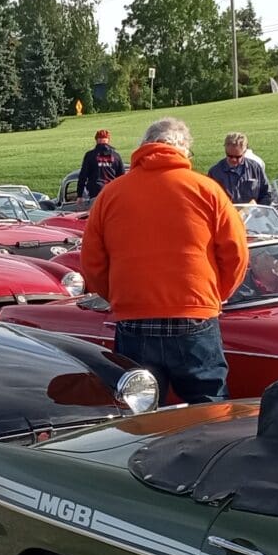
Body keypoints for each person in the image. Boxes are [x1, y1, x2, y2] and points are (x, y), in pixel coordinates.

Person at [81, 117, 248, 404]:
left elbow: (92, 261)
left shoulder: (111, 194)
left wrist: (118, 297)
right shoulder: (207, 190)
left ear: (143, 148)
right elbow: (236, 254)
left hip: (134, 317)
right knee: (208, 407)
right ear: (184, 150)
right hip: (194, 315)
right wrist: (213, 296)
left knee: (140, 408)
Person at [207, 132, 273, 205]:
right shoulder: (215, 173)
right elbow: (209, 200)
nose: (233, 160)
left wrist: (258, 207)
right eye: (229, 156)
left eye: (238, 157)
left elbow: (266, 194)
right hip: (226, 215)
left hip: (253, 214)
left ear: (245, 151)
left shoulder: (255, 168)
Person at [76, 130, 124, 199]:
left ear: (96, 140)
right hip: (111, 191)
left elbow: (83, 175)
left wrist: (79, 195)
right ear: (108, 140)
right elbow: (121, 176)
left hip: (95, 192)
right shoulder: (116, 156)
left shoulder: (90, 155)